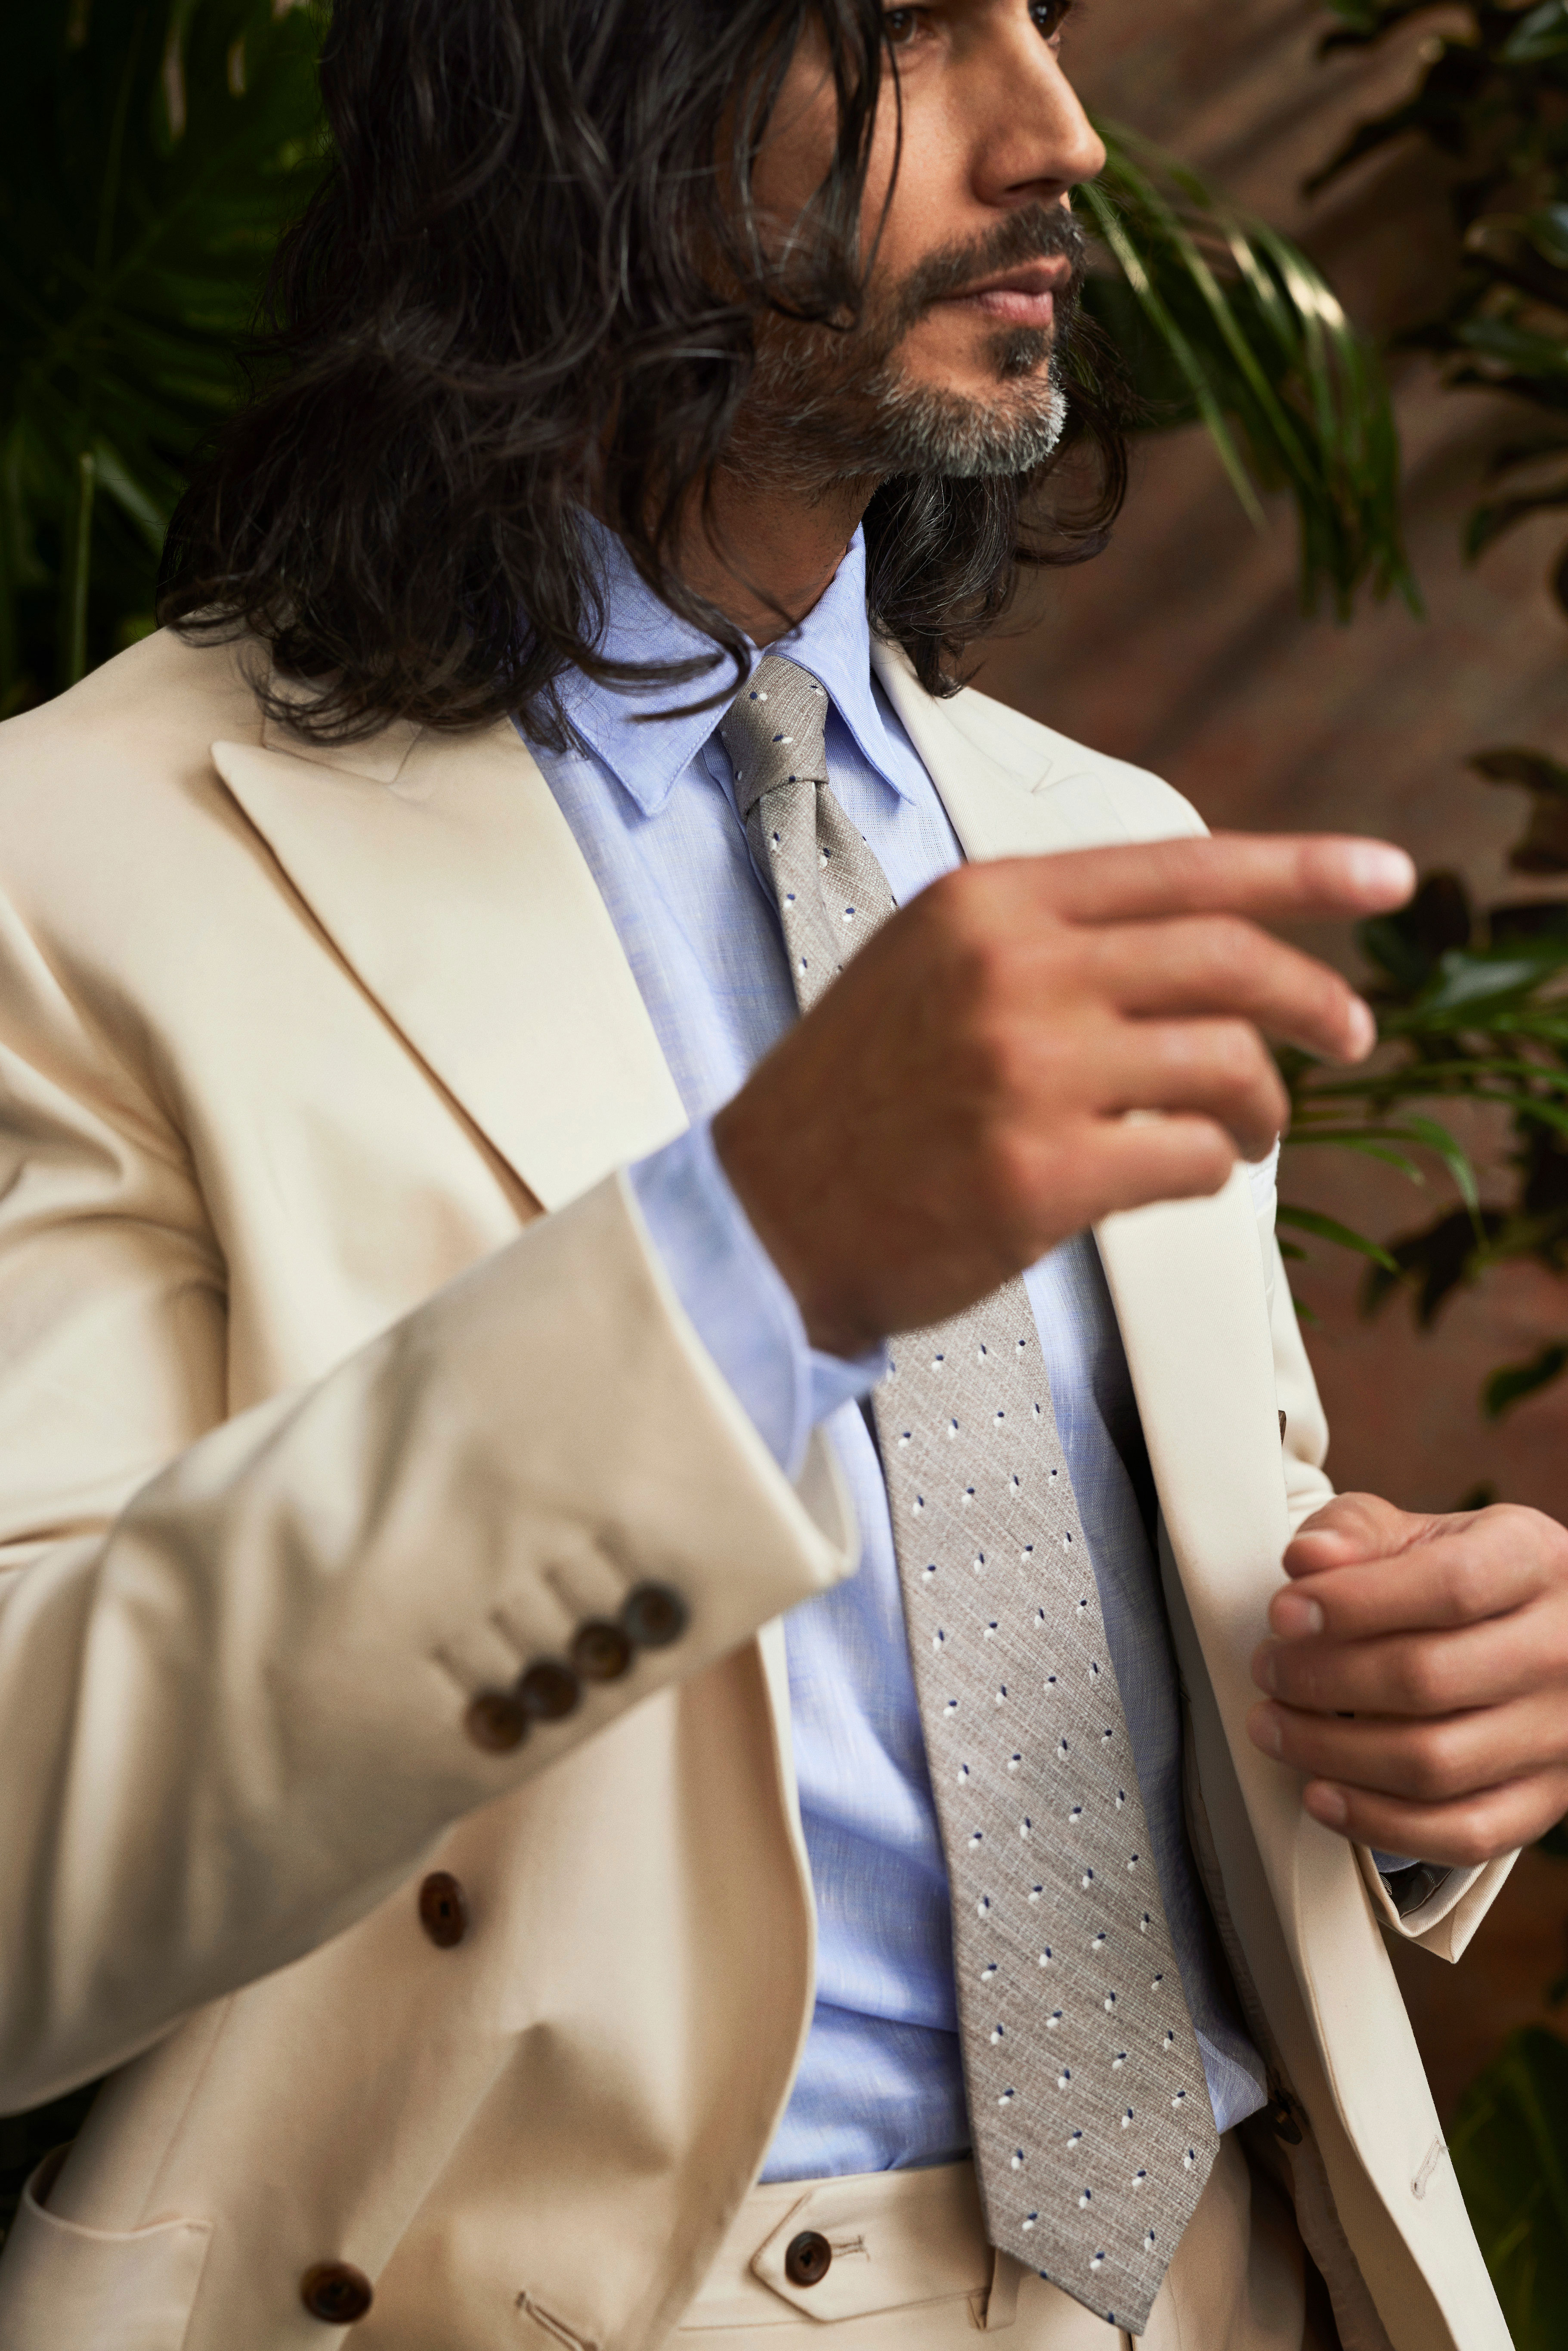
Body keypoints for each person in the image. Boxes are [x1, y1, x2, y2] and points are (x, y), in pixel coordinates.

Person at [0, 0, 1561, 2345]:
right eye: (912, 33)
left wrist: (1429, 1699)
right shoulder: (72, 866)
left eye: (1043, 18)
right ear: (578, 82)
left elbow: (1155, 1617)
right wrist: (749, 1269)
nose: (1061, 137)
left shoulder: (1098, 837)